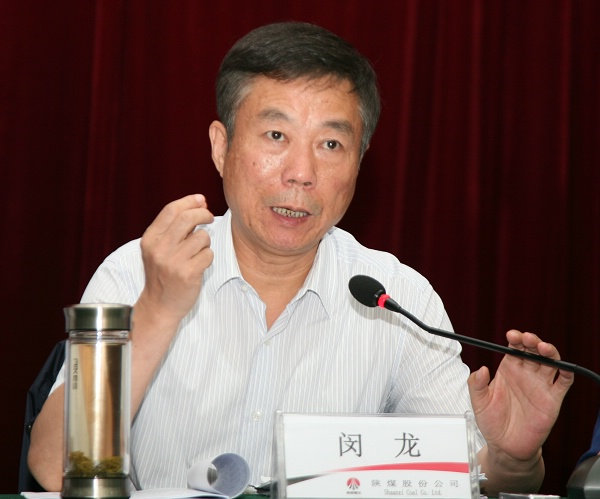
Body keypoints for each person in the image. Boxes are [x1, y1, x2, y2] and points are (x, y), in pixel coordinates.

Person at [28, 21, 573, 495]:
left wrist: (512, 457)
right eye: (275, 135)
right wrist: (158, 310)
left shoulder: (397, 298)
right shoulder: (137, 272)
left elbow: (469, 475)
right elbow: (55, 470)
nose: (302, 173)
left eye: (331, 144)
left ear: (359, 162)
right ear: (221, 146)